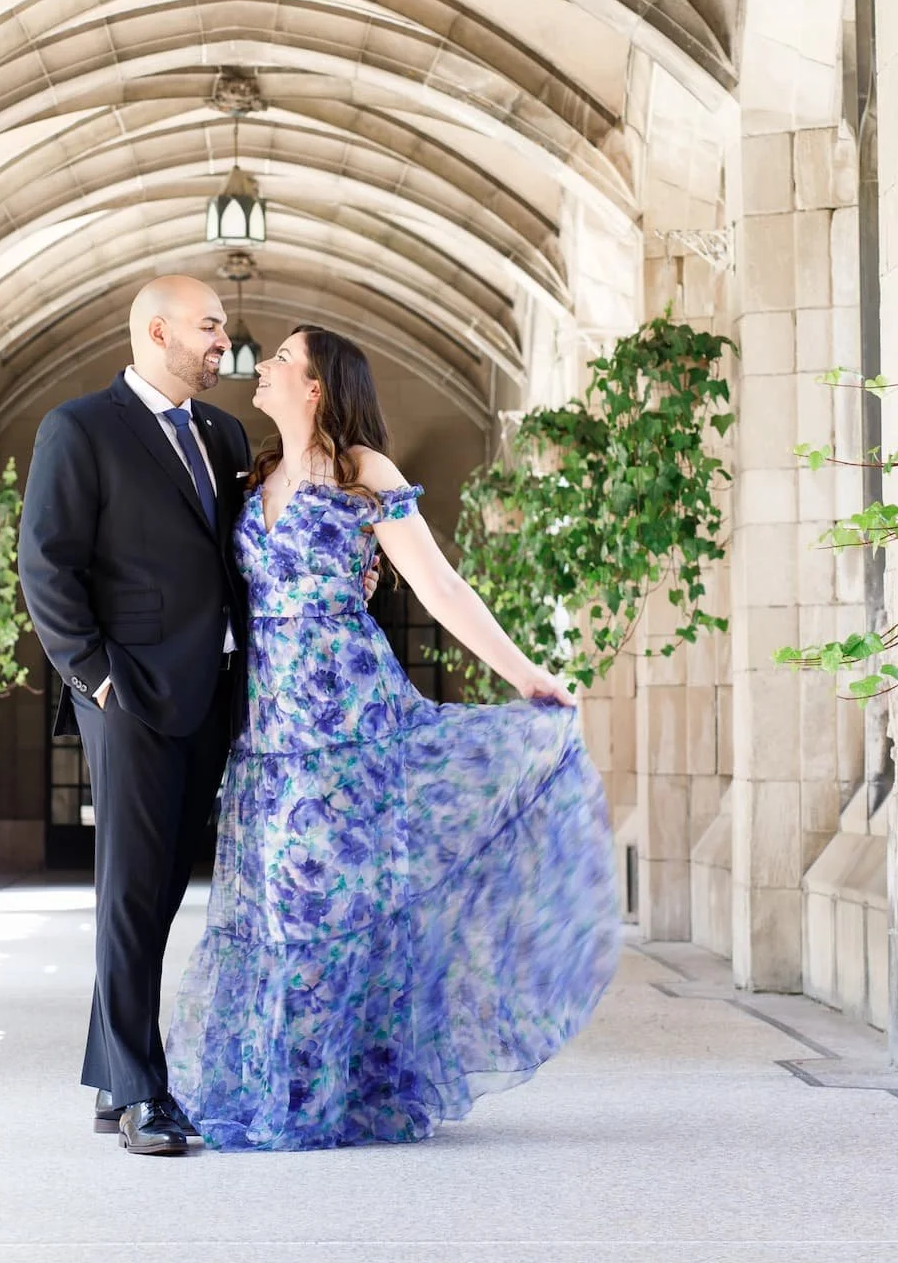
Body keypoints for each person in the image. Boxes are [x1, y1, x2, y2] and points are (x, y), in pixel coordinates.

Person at [165, 323, 622, 1151]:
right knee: (276, 908)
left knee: (328, 904)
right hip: (269, 728)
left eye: (279, 361)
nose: (259, 368)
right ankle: (290, 1082)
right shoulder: (255, 471)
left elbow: (440, 585)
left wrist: (524, 675)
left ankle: (322, 1093)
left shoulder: (362, 471)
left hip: (351, 721)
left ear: (315, 386)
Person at [17, 276, 252, 1157]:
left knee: (154, 894)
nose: (222, 341)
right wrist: (93, 678)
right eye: (210, 327)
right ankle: (143, 1095)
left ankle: (111, 1074)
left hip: (213, 693)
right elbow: (47, 565)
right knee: (128, 893)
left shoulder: (223, 433)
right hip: (129, 697)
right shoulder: (80, 429)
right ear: (159, 332)